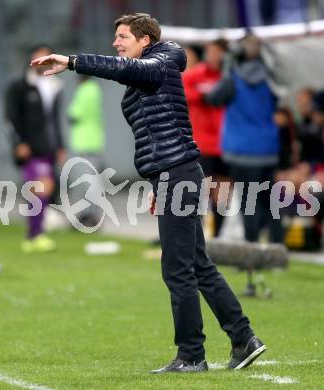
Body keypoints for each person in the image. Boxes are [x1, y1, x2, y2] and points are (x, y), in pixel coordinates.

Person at [31, 13, 266, 373]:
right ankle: (244, 338)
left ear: (145, 40)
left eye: (122, 36)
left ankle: (191, 355)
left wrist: (72, 60)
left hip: (178, 173)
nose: (116, 43)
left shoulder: (165, 59)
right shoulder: (152, 66)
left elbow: (126, 69)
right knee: (198, 265)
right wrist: (159, 182)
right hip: (172, 175)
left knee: (177, 269)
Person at [204, 33, 284, 244]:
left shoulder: (233, 79)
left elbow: (213, 98)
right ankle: (278, 247)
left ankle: (252, 248)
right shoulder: (269, 79)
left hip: (242, 151)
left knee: (249, 203)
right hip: (267, 149)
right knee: (270, 202)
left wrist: (227, 69)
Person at [5, 44, 65, 253]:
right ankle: (35, 235)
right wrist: (18, 143)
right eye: (38, 55)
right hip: (30, 148)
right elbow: (11, 118)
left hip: (48, 147)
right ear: (32, 58)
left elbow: (54, 120)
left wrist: (60, 145)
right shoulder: (20, 86)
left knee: (40, 190)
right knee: (42, 187)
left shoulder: (55, 85)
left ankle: (34, 235)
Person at [183, 39, 229, 237]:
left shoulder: (229, 76)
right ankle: (197, 237)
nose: (213, 56)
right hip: (203, 144)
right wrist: (207, 96)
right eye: (210, 52)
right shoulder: (194, 76)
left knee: (223, 193)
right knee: (202, 192)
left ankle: (217, 236)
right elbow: (186, 94)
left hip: (226, 144)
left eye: (218, 52)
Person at [68, 75, 106, 227]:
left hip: (84, 142)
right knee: (92, 181)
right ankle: (89, 216)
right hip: (94, 140)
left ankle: (89, 216)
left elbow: (73, 114)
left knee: (85, 182)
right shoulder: (96, 89)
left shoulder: (84, 90)